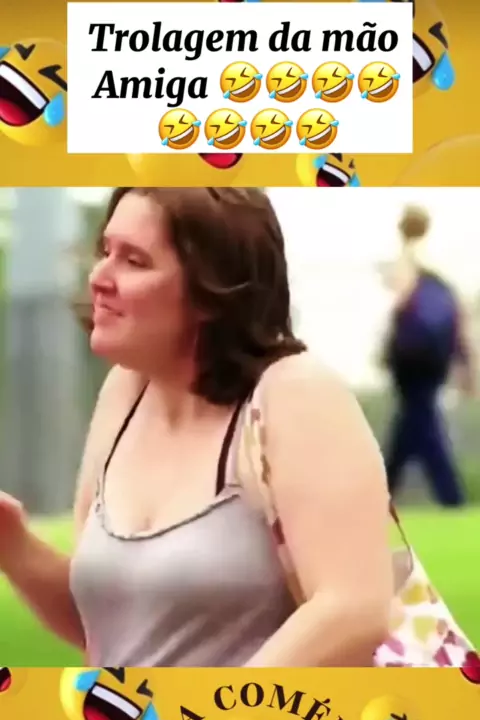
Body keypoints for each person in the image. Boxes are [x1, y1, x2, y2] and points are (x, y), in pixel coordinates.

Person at [0, 188, 473, 670]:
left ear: (211, 289)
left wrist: (213, 710)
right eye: (106, 251)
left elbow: (353, 609)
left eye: (134, 261)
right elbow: (114, 625)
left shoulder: (295, 394)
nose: (99, 277)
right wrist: (11, 542)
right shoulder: (125, 390)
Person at [382, 205, 475, 507]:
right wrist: (465, 363)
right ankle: (382, 494)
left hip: (411, 357)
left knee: (420, 426)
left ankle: (452, 499)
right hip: (435, 357)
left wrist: (387, 345)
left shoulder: (406, 260)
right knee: (413, 424)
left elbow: (401, 301)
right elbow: (458, 314)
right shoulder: (439, 260)